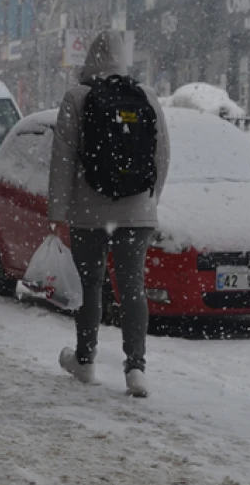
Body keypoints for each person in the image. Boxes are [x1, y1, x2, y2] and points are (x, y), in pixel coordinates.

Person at [47, 31, 170, 398]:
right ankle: (136, 369)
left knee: (90, 285)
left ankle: (85, 360)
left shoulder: (77, 97)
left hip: (89, 210)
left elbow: (62, 160)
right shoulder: (145, 96)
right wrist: (149, 200)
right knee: (132, 288)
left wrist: (57, 212)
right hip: (137, 210)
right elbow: (162, 156)